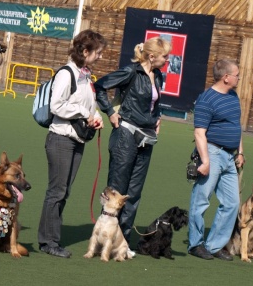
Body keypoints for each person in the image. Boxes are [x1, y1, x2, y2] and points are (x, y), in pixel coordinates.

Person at [94, 37, 171, 256]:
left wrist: (157, 118)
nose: (168, 60)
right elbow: (99, 86)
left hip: (146, 137)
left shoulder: (158, 76)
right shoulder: (130, 72)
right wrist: (110, 112)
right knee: (117, 190)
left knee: (134, 193)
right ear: (152, 56)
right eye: (165, 56)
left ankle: (123, 243)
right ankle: (105, 240)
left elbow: (153, 104)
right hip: (126, 134)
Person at [38, 29, 107, 258]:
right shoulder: (67, 73)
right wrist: (81, 113)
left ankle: (50, 239)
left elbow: (88, 105)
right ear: (85, 51)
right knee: (56, 191)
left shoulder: (85, 75)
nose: (100, 57)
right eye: (97, 52)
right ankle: (48, 242)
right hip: (61, 138)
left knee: (64, 191)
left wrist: (95, 117)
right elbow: (56, 105)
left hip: (77, 139)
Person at [188, 59, 245, 261]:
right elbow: (199, 133)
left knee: (231, 202)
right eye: (237, 74)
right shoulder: (206, 99)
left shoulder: (233, 95)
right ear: (226, 77)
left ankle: (214, 245)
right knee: (201, 199)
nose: (239, 77)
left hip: (230, 156)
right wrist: (205, 161)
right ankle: (195, 244)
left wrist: (240, 152)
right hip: (212, 153)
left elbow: (235, 124)